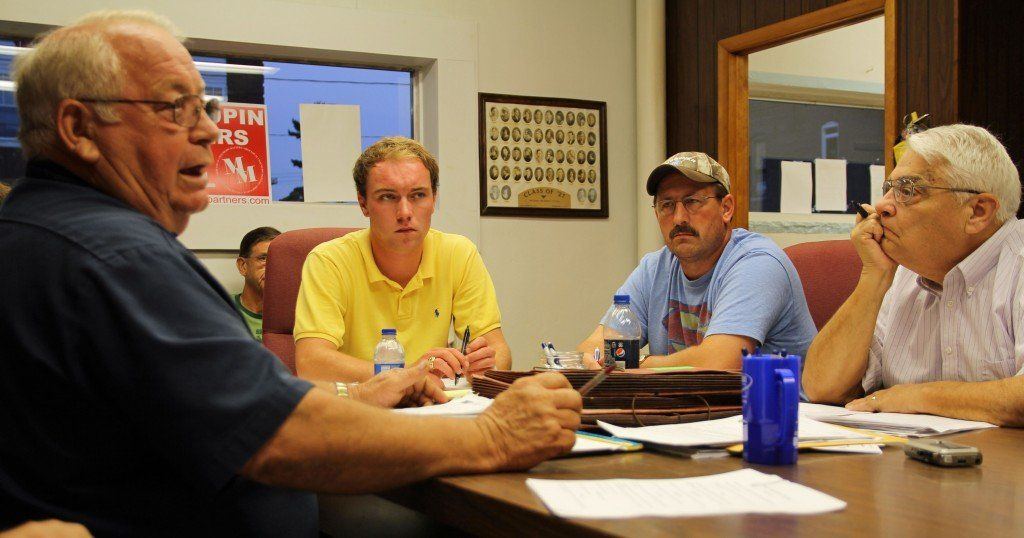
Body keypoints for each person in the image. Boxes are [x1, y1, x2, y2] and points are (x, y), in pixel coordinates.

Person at [0, 11, 581, 534]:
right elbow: (279, 435)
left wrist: (358, 396)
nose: (208, 132)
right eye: (174, 109)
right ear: (78, 130)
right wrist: (493, 435)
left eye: (207, 109)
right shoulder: (119, 259)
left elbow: (219, 407)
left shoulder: (40, 232)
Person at [803, 125, 1024, 426]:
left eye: (908, 191)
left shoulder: (1018, 262)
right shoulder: (904, 272)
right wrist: (874, 277)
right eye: (889, 190)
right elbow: (821, 386)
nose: (882, 206)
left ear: (978, 212)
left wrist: (917, 397)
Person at [293, 136, 513, 385]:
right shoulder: (328, 261)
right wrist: (410, 375)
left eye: (418, 195)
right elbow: (311, 363)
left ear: (433, 200)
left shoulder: (459, 254)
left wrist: (485, 365)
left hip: (435, 407)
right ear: (363, 204)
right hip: (359, 410)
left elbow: (499, 351)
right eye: (388, 197)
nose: (405, 213)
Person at [577, 152, 816, 369]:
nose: (679, 218)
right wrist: (597, 360)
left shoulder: (758, 262)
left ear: (726, 208)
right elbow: (592, 347)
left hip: (782, 412)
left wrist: (634, 363)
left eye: (692, 202)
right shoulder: (655, 268)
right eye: (667, 205)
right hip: (699, 409)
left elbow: (720, 363)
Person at [233, 226, 280, 341]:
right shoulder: (222, 309)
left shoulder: (297, 315)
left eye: (279, 259)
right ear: (243, 266)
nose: (272, 266)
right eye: (263, 258)